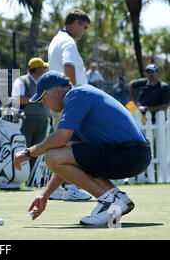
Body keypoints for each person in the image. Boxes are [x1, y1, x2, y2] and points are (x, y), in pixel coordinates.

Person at [14, 70, 152, 225]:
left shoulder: (76, 95)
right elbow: (65, 162)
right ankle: (118, 198)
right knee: (58, 156)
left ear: (54, 90)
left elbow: (58, 142)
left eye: (43, 97)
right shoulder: (79, 99)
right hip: (135, 154)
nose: (44, 103)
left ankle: (110, 203)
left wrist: (28, 153)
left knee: (51, 156)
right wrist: (45, 195)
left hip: (130, 153)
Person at [46, 8, 91, 201]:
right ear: (76, 23)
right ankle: (70, 186)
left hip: (60, 99)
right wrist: (74, 95)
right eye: (85, 27)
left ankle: (58, 188)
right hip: (70, 101)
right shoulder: (68, 42)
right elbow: (69, 67)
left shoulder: (56, 40)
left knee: (62, 144)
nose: (84, 32)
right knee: (74, 145)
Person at [11, 57, 49, 170]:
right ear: (37, 69)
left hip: (43, 120)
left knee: (39, 150)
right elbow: (18, 99)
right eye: (43, 67)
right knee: (24, 149)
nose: (45, 69)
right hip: (27, 120)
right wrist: (38, 99)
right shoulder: (22, 81)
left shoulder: (43, 82)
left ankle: (33, 179)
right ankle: (22, 174)